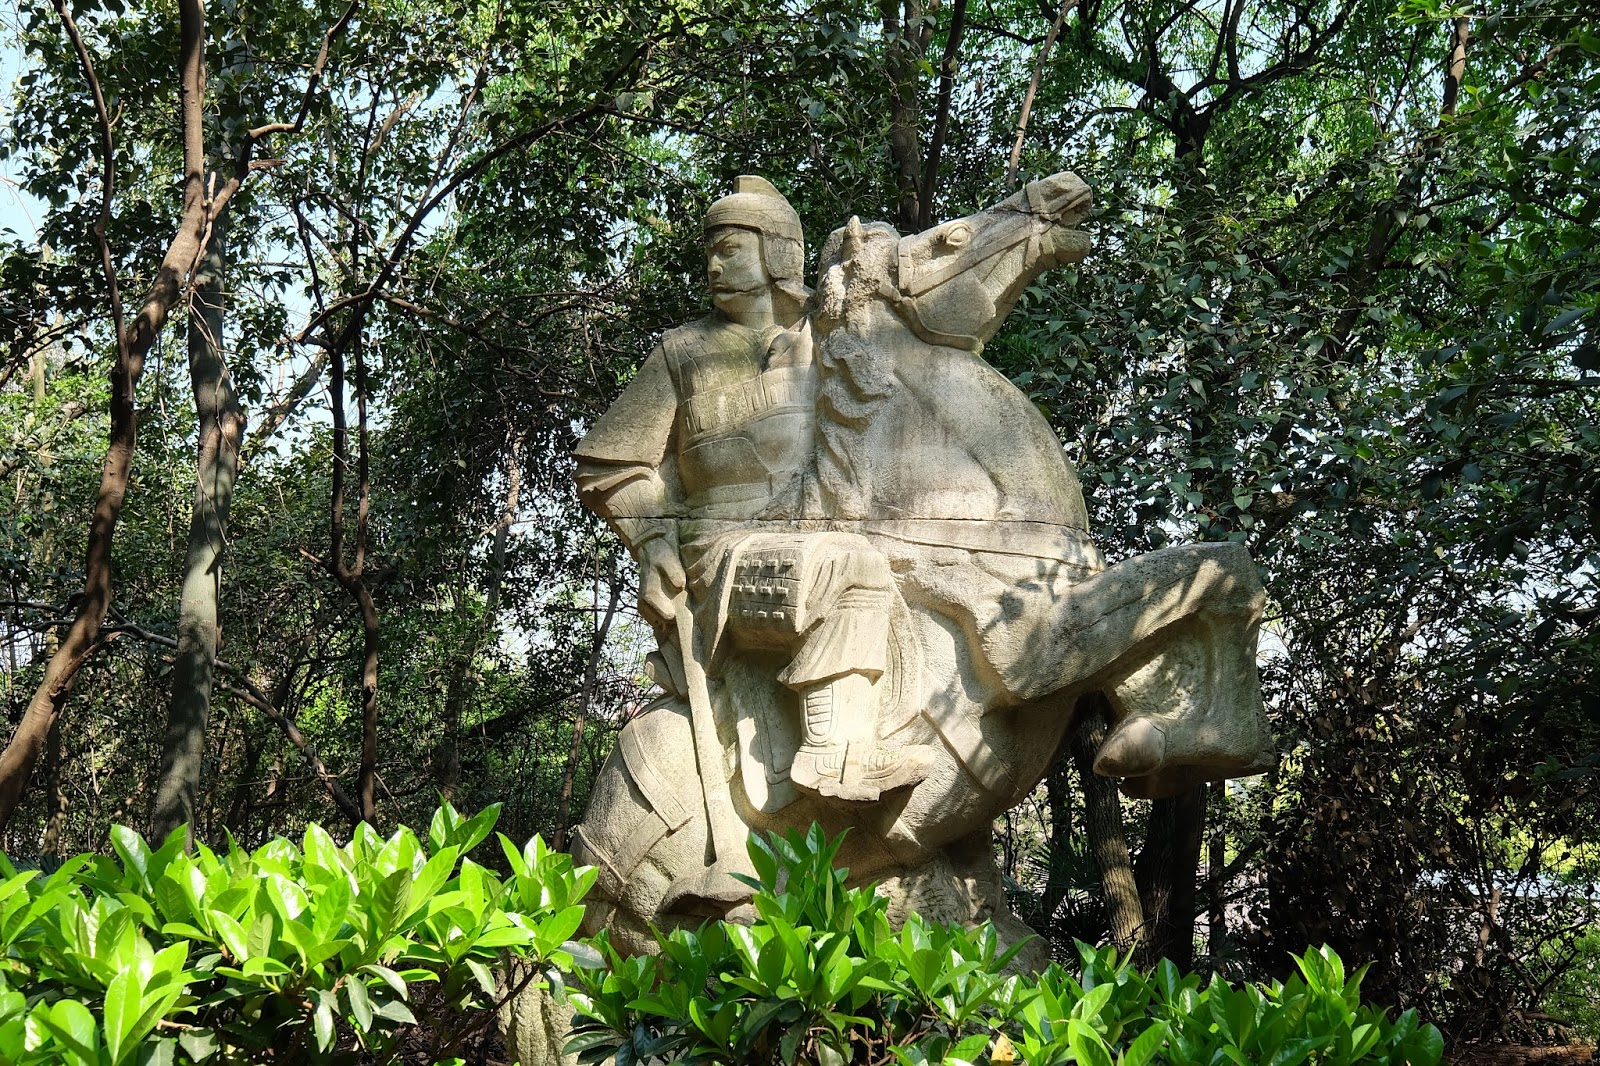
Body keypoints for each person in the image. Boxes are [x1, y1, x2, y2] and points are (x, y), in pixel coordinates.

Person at [574, 177, 931, 802]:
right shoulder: (682, 352)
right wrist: (653, 544)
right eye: (710, 252)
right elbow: (610, 465)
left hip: (821, 527)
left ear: (777, 252)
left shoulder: (830, 334)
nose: (713, 265)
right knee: (851, 567)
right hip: (717, 556)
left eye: (730, 248)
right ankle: (835, 754)